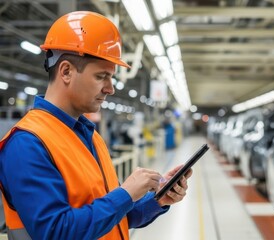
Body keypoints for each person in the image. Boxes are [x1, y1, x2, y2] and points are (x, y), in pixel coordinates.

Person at [0, 11, 191, 240]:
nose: (110, 88)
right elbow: (56, 232)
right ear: (67, 72)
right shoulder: (27, 143)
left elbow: (115, 217)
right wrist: (126, 193)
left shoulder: (90, 137)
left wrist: (158, 198)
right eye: (102, 76)